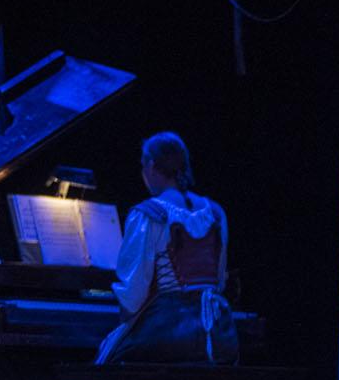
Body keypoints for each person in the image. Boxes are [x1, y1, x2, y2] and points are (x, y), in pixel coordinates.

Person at [96, 132, 238, 365]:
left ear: (151, 165)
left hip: (168, 330)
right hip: (217, 329)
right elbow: (219, 281)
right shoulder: (215, 212)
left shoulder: (147, 215)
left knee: (108, 365)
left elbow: (132, 296)